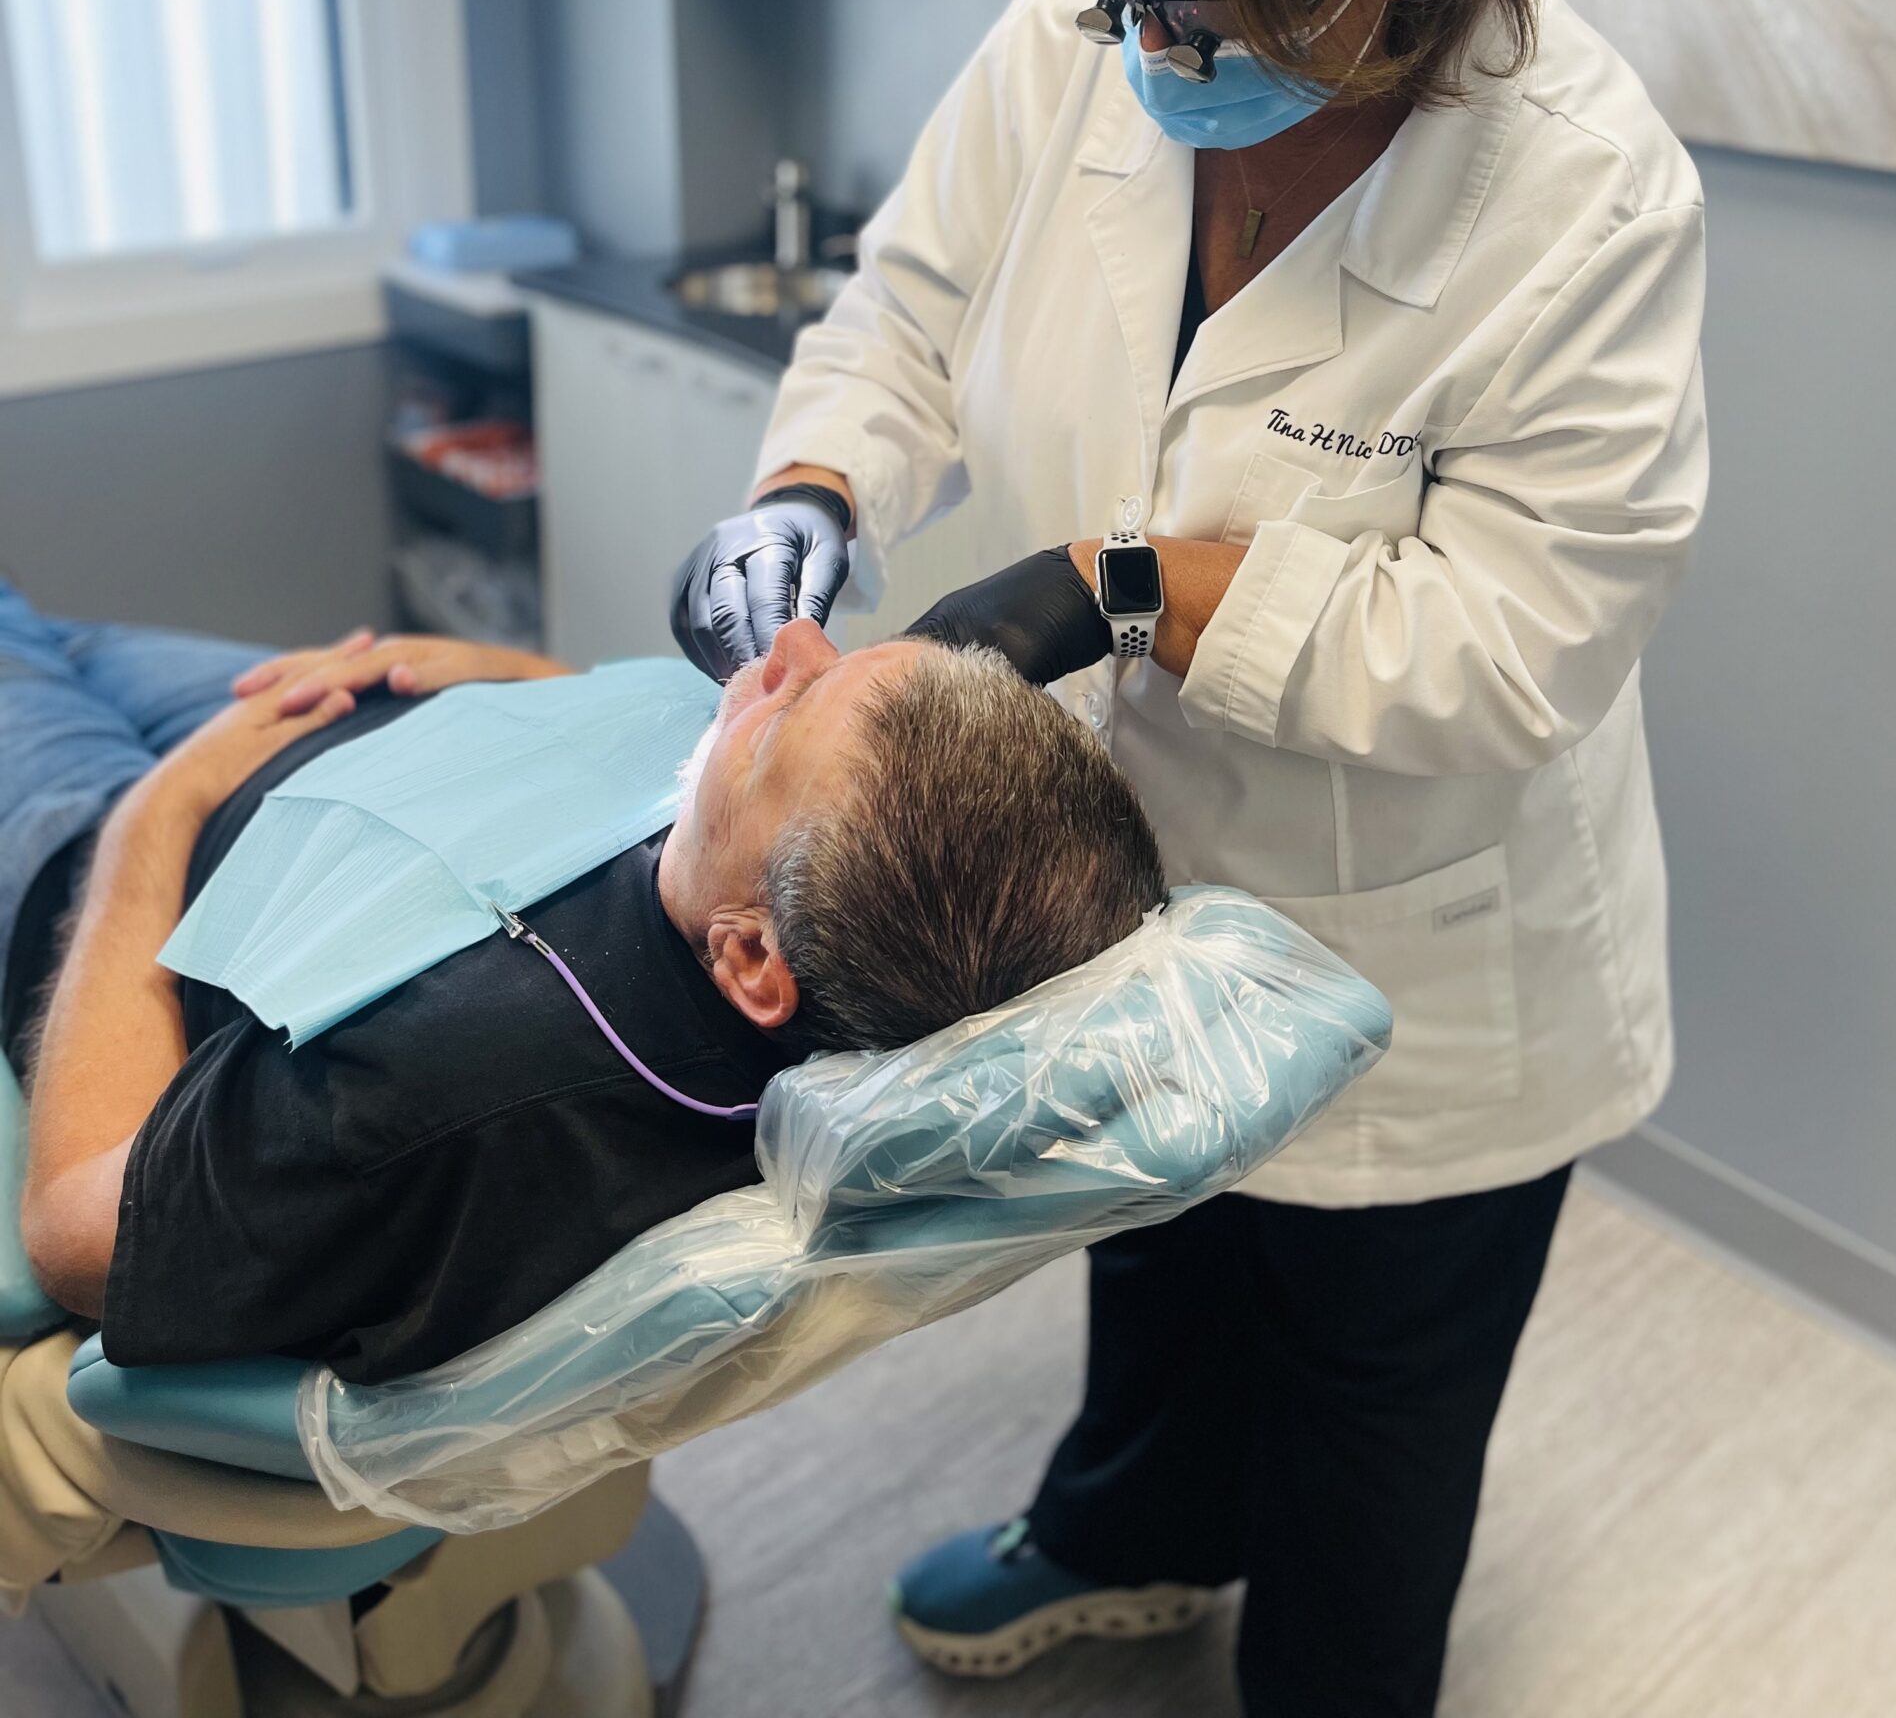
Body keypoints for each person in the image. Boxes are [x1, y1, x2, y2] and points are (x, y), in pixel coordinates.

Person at [669, 0, 1709, 1717]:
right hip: (1141, 874)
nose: (1135, 37)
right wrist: (812, 487)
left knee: (1367, 1410)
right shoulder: (1082, 47)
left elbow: (1517, 645)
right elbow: (913, 308)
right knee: (1155, 1253)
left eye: (1202, 7)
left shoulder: (1586, 196)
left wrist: (1136, 578)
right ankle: (1130, 1527)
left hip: (1425, 954)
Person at [2, 583, 1164, 1383]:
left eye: (787, 710)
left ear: (750, 957)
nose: (789, 646)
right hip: (367, 726)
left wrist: (158, 813)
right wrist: (505, 682)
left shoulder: (435, 1092)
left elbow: (68, 1234)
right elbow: (653, 791)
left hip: (140, 860)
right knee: (42, 629)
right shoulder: (808, 920)